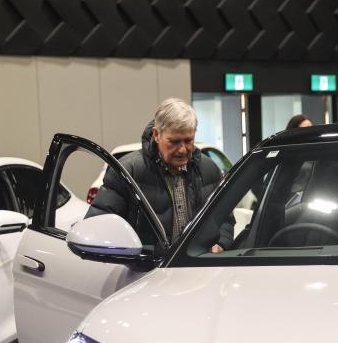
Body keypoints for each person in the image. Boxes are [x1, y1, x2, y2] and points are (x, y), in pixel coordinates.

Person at [88, 98, 233, 251]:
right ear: (156, 135)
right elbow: (98, 226)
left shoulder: (209, 168)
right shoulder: (127, 172)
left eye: (188, 140)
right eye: (174, 141)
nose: (183, 149)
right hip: (144, 272)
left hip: (197, 269)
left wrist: (221, 243)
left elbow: (224, 217)